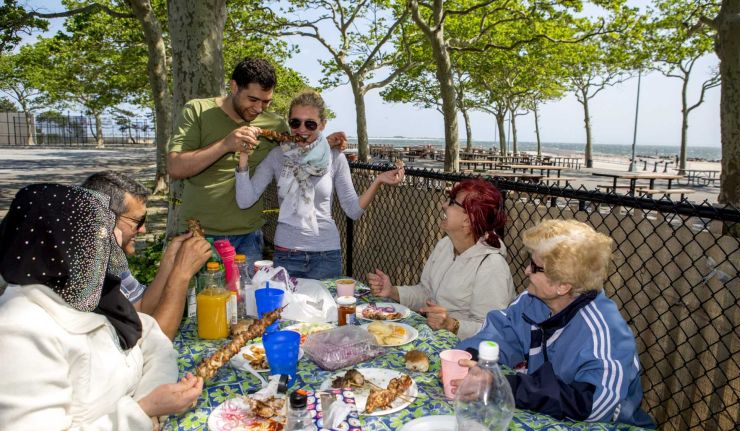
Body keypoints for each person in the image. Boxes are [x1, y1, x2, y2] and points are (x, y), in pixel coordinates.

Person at [0, 184, 202, 430]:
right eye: (98, 236)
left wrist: (151, 410)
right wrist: (142, 411)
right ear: (61, 245)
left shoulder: (84, 292)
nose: (112, 241)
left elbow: (151, 338)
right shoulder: (20, 332)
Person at [455, 219, 655, 428]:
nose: (526, 271)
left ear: (563, 286)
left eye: (535, 267)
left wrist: (509, 385)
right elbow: (499, 334)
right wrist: (472, 360)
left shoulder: (604, 331)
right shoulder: (533, 301)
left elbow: (594, 405)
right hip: (548, 416)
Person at [167, 58, 347, 266]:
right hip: (200, 235)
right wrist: (225, 144)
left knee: (248, 298)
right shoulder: (197, 111)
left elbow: (300, 150)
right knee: (201, 298)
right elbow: (175, 167)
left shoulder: (275, 124)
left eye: (266, 101)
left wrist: (327, 142)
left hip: (249, 238)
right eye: (252, 99)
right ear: (234, 87)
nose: (259, 108)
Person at [235, 91, 404, 279]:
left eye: (310, 124)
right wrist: (243, 157)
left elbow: (353, 210)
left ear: (322, 124)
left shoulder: (334, 157)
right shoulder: (277, 156)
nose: (302, 129)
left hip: (326, 255)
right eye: (295, 122)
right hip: (286, 253)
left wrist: (378, 180)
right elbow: (245, 200)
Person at [367, 179, 514, 340]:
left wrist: (452, 325)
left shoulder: (491, 266)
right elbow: (426, 293)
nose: (444, 205)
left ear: (468, 219)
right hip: (434, 338)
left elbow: (493, 330)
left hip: (465, 353)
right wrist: (393, 291)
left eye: (452, 202)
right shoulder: (445, 245)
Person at [82, 171, 211, 339]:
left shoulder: (112, 257)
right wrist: (181, 275)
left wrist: (169, 262)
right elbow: (153, 343)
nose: (143, 230)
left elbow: (142, 309)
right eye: (138, 222)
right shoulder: (89, 270)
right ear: (106, 219)